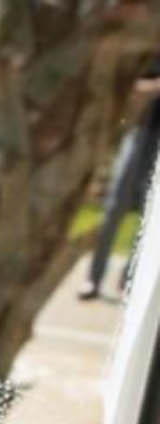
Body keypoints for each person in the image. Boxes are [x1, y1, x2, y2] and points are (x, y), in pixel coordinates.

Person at [79, 57, 160, 300]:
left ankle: (129, 281)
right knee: (114, 208)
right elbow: (128, 88)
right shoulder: (150, 51)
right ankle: (93, 278)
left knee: (150, 218)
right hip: (141, 132)